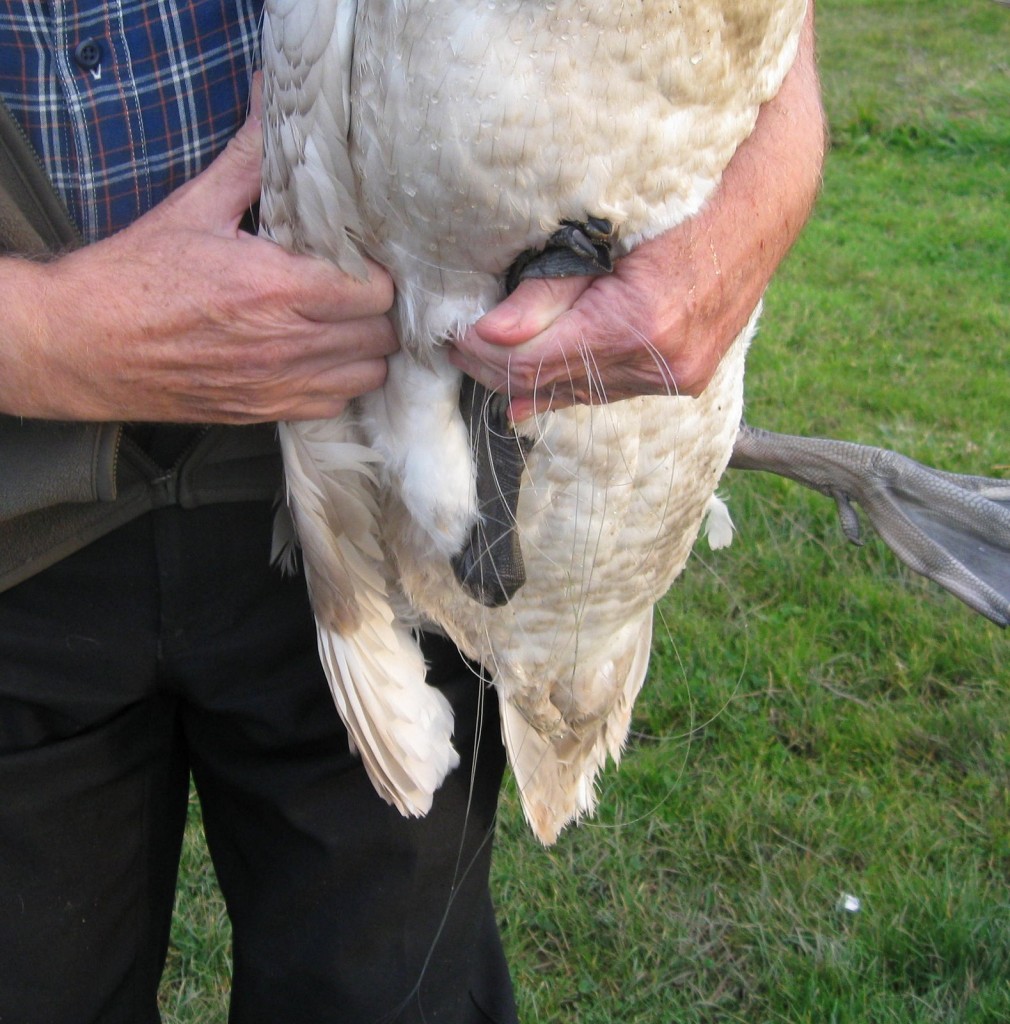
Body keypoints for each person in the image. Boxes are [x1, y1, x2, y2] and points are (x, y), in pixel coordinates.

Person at [0, 2, 824, 1022]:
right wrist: (39, 336)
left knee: (388, 988)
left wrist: (768, 160)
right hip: (17, 528)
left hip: (395, 485)